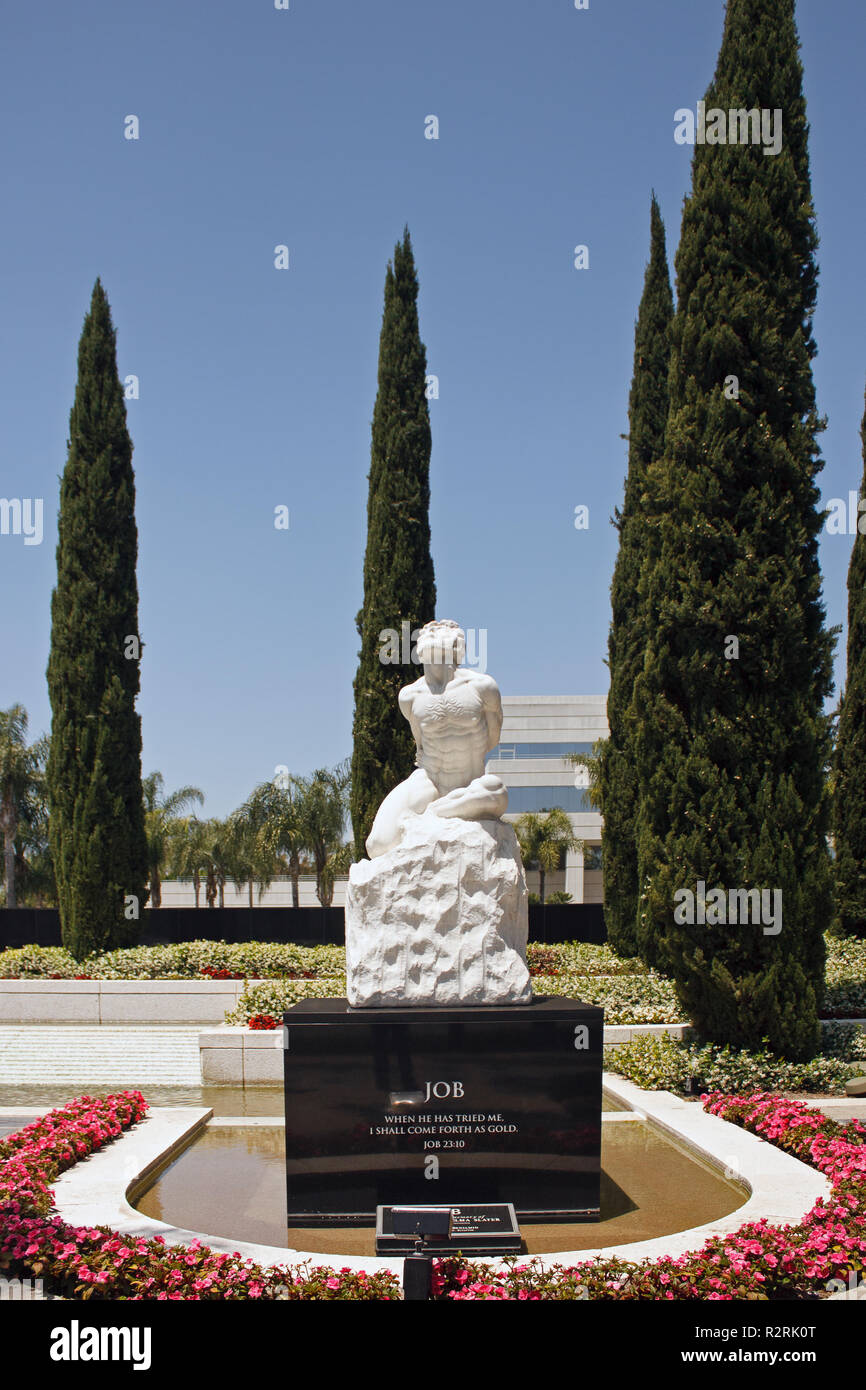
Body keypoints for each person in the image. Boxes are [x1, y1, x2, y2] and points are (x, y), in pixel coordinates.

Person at [365, 619, 509, 858]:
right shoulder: (409, 697)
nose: (433, 633)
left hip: (471, 782)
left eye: (440, 631)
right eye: (429, 631)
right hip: (430, 780)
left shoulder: (483, 687)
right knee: (377, 844)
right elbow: (420, 747)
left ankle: (435, 815)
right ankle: (442, 811)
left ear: (456, 645)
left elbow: (492, 739)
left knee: (497, 791)